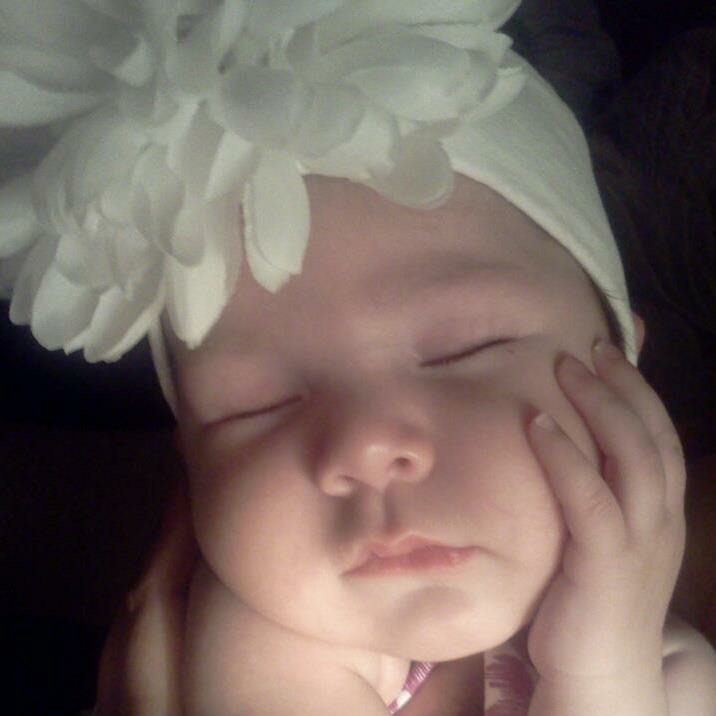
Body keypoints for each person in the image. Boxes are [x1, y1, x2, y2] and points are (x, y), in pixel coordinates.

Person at [1, 1, 715, 714]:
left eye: (468, 349)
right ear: (190, 458)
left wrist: (605, 680)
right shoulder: (273, 644)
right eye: (255, 407)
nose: (365, 446)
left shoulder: (672, 674)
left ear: (628, 374)